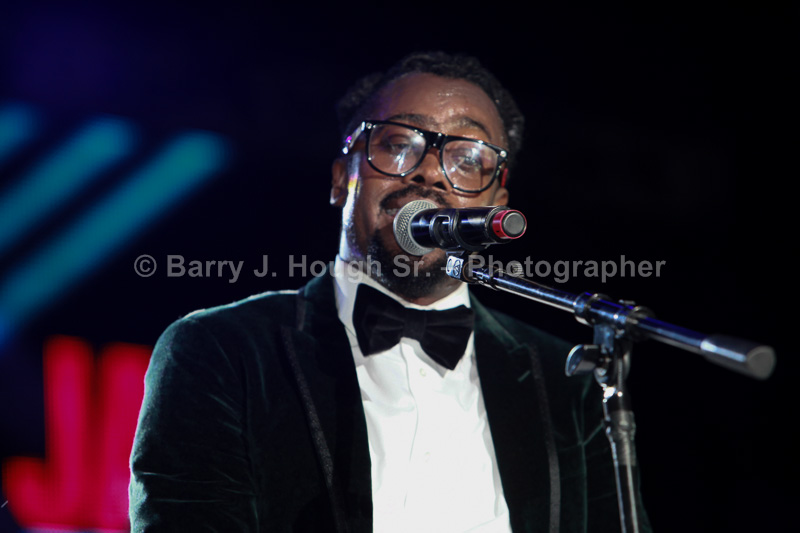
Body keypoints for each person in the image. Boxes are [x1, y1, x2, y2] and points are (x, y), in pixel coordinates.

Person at [129, 51, 650, 532]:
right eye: (399, 145)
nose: (431, 172)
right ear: (342, 178)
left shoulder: (568, 379)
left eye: (468, 159)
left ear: (496, 205)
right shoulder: (222, 351)